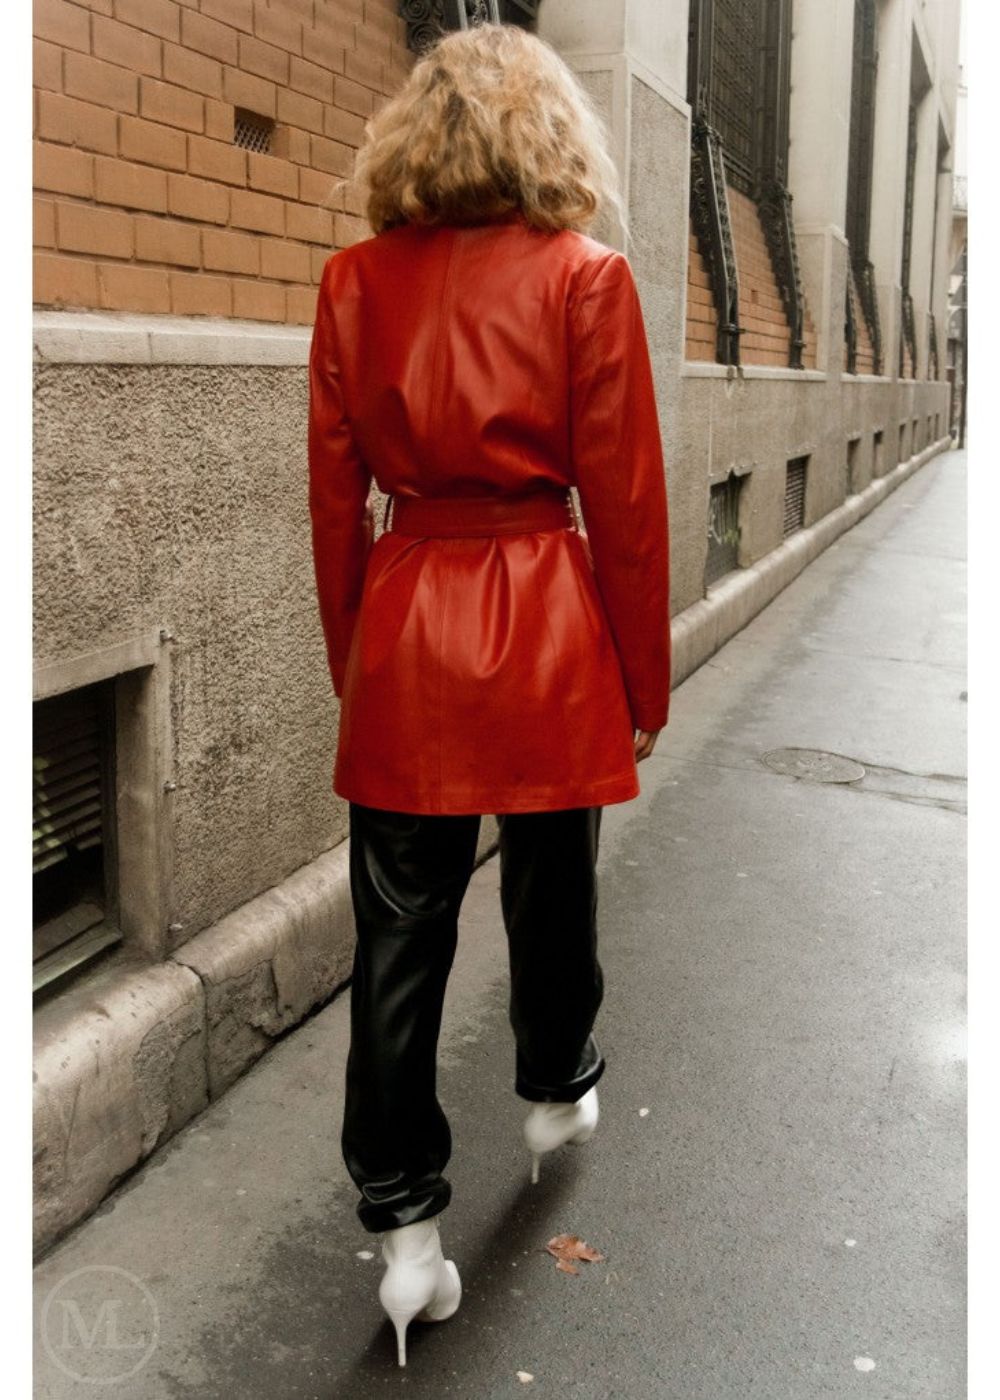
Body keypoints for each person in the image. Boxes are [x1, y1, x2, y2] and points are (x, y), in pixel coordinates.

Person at [307, 20, 670, 1368]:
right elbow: (625, 499)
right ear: (548, 131)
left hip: (409, 620)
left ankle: (405, 1240)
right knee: (554, 883)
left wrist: (360, 663)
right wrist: (645, 674)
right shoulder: (585, 280)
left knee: (398, 939)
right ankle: (555, 1088)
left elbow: (333, 505)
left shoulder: (352, 283)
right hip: (548, 627)